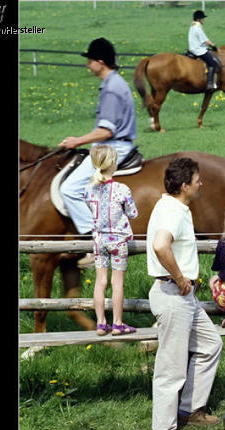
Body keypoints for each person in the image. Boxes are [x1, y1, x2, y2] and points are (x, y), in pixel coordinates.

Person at [147, 157, 223, 430]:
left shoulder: (173, 206)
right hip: (173, 293)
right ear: (184, 185)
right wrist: (180, 278)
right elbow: (160, 246)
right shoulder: (172, 211)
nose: (200, 183)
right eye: (197, 179)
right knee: (171, 368)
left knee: (210, 344)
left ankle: (190, 408)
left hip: (182, 295)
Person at [58, 37, 137, 266]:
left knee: (70, 189)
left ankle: (97, 244)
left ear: (100, 62)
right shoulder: (114, 82)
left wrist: (77, 141)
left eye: (90, 60)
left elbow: (106, 130)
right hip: (115, 143)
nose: (87, 65)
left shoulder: (112, 88)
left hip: (113, 146)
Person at [86, 144, 139, 336]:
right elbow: (133, 213)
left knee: (100, 282)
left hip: (99, 240)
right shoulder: (122, 189)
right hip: (118, 241)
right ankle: (117, 323)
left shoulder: (89, 190)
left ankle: (101, 323)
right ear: (113, 164)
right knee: (117, 283)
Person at [189, 9, 222, 91]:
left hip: (193, 48)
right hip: (199, 50)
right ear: (199, 19)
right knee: (213, 63)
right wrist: (214, 46)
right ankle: (210, 83)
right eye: (203, 18)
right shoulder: (197, 28)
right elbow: (206, 40)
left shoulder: (192, 27)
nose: (204, 20)